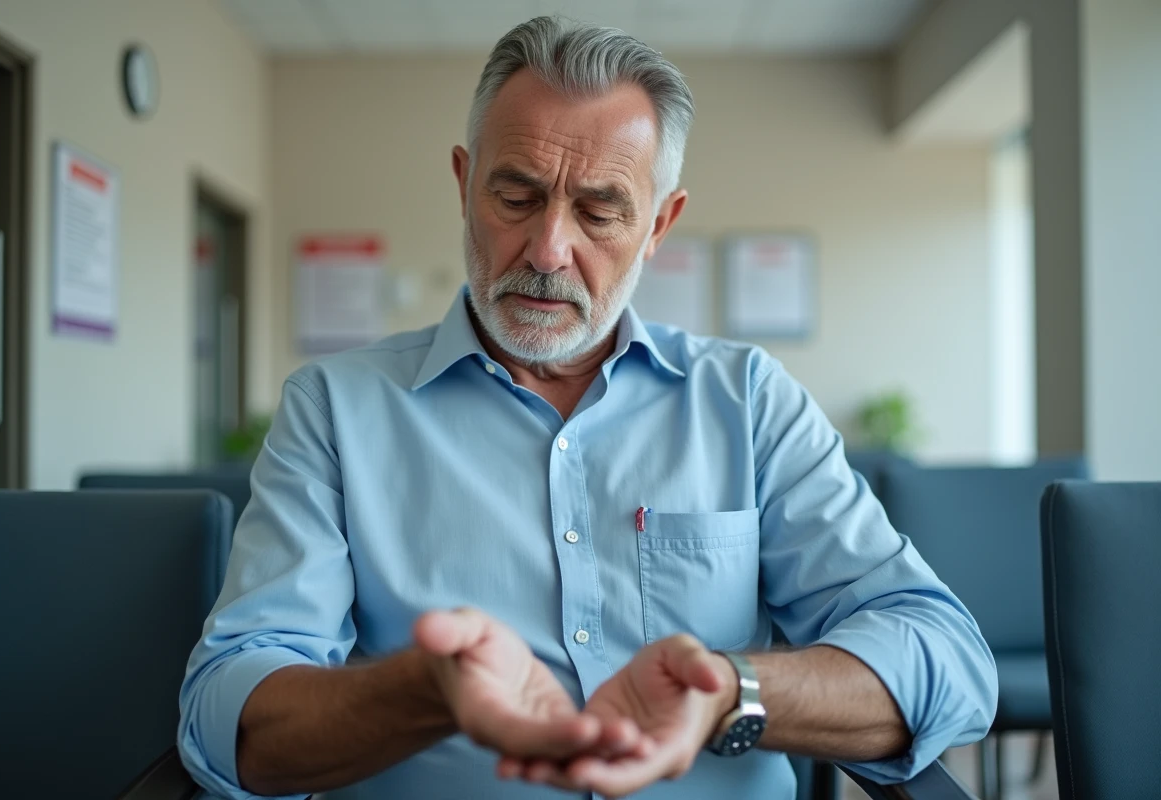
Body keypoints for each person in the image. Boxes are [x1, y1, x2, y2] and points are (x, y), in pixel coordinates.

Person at [178, 16, 996, 800]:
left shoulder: (748, 401)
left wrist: (730, 692)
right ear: (464, 184)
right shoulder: (335, 410)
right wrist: (424, 694)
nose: (548, 251)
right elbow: (226, 714)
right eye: (515, 197)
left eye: (600, 211)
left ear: (659, 224)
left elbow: (947, 661)